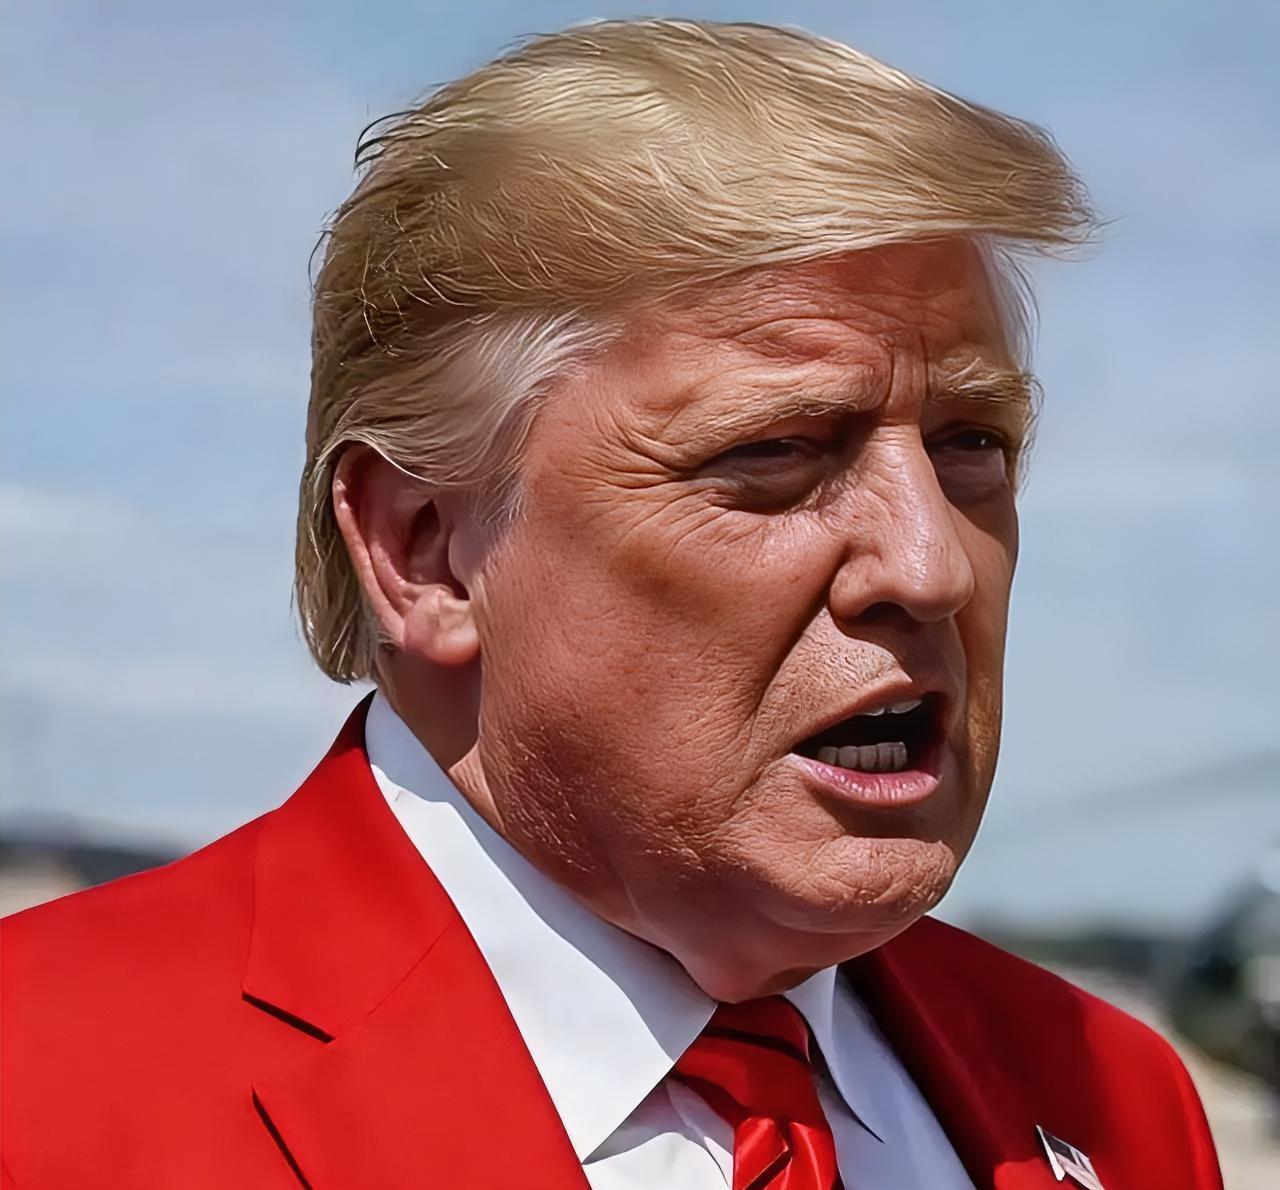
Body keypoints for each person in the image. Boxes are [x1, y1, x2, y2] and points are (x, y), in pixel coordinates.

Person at [1, 18, 1223, 1190]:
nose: (929, 562)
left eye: (969, 445)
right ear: (423, 551)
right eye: (774, 450)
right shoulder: (42, 1085)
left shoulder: (1111, 1095)